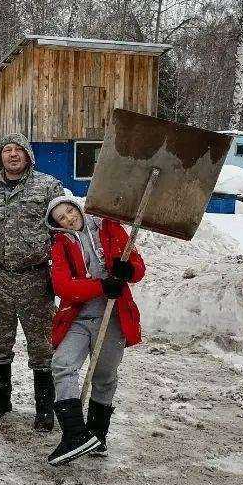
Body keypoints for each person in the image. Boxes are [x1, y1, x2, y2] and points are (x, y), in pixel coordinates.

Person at [0, 133, 65, 430]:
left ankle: (45, 408)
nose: (13, 154)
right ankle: (0, 401)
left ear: (28, 155)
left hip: (36, 280)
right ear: (0, 156)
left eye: (18, 150)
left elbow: (63, 232)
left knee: (42, 346)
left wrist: (60, 273)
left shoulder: (48, 187)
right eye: (7, 150)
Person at [45, 195, 145, 465]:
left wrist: (127, 270)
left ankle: (98, 436)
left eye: (69, 211)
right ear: (57, 225)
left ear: (77, 207)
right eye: (61, 218)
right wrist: (100, 286)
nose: (68, 219)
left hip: (112, 316)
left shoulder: (109, 228)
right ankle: (75, 434)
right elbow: (63, 286)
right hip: (78, 317)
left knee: (104, 376)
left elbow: (138, 268)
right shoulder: (61, 244)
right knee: (63, 364)